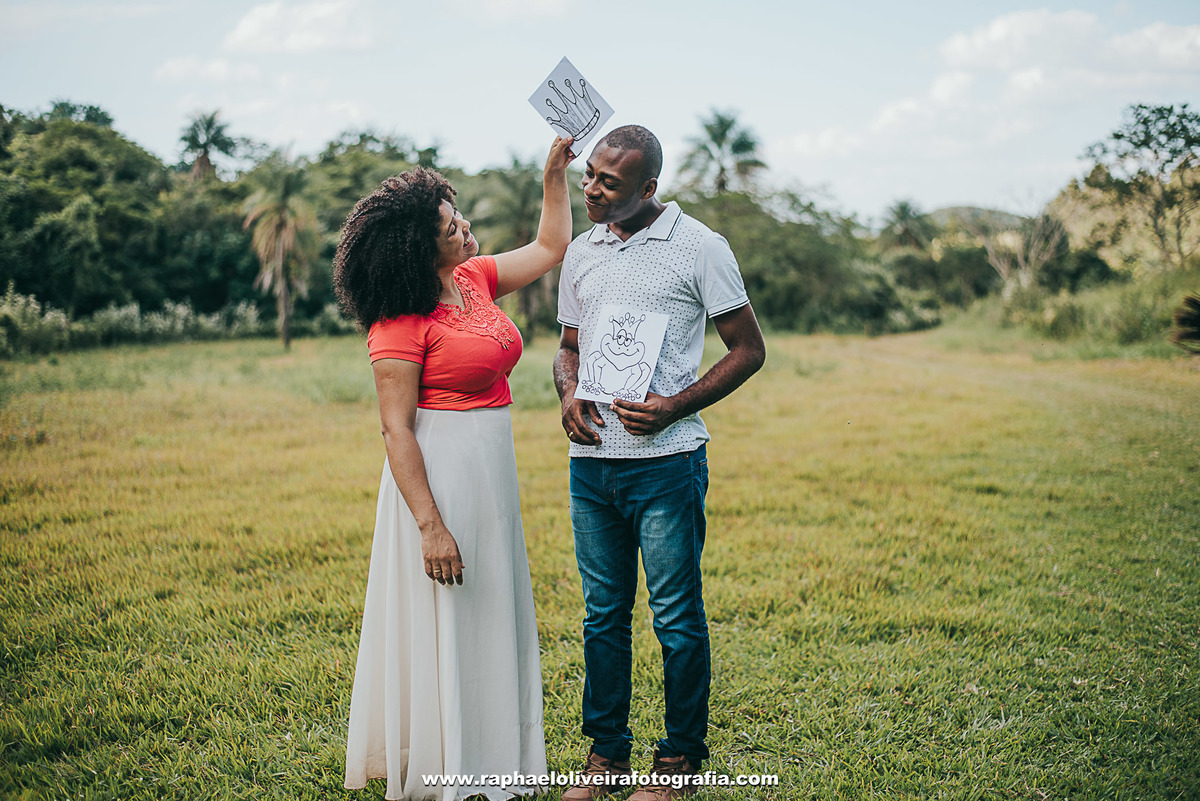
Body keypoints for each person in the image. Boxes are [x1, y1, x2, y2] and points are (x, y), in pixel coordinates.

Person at [335, 136, 575, 801]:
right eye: (450, 227)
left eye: (459, 216)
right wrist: (430, 525)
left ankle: (496, 755)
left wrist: (554, 176)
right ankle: (448, 760)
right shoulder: (398, 321)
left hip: (491, 471)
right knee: (450, 608)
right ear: (421, 245)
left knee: (491, 607)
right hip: (439, 477)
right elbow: (396, 429)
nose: (464, 229)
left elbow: (551, 246)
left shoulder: (474, 278)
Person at [553, 125, 766, 801]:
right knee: (602, 615)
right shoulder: (581, 251)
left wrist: (674, 404)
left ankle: (677, 764)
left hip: (666, 465)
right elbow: (567, 348)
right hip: (591, 467)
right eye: (587, 176)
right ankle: (605, 757)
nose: (589, 188)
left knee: (675, 616)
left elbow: (748, 349)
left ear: (648, 188)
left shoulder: (700, 247)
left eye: (606, 183)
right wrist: (566, 392)